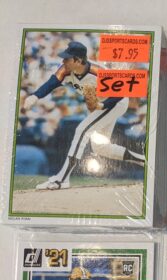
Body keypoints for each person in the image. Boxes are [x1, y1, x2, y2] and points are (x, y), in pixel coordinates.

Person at [21, 41, 144, 190]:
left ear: (78, 60)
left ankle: (61, 180)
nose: (63, 61)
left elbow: (121, 93)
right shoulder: (66, 70)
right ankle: (143, 160)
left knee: (82, 130)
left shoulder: (98, 71)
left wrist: (102, 105)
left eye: (67, 58)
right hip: (101, 104)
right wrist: (35, 96)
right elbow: (51, 83)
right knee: (101, 147)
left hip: (116, 102)